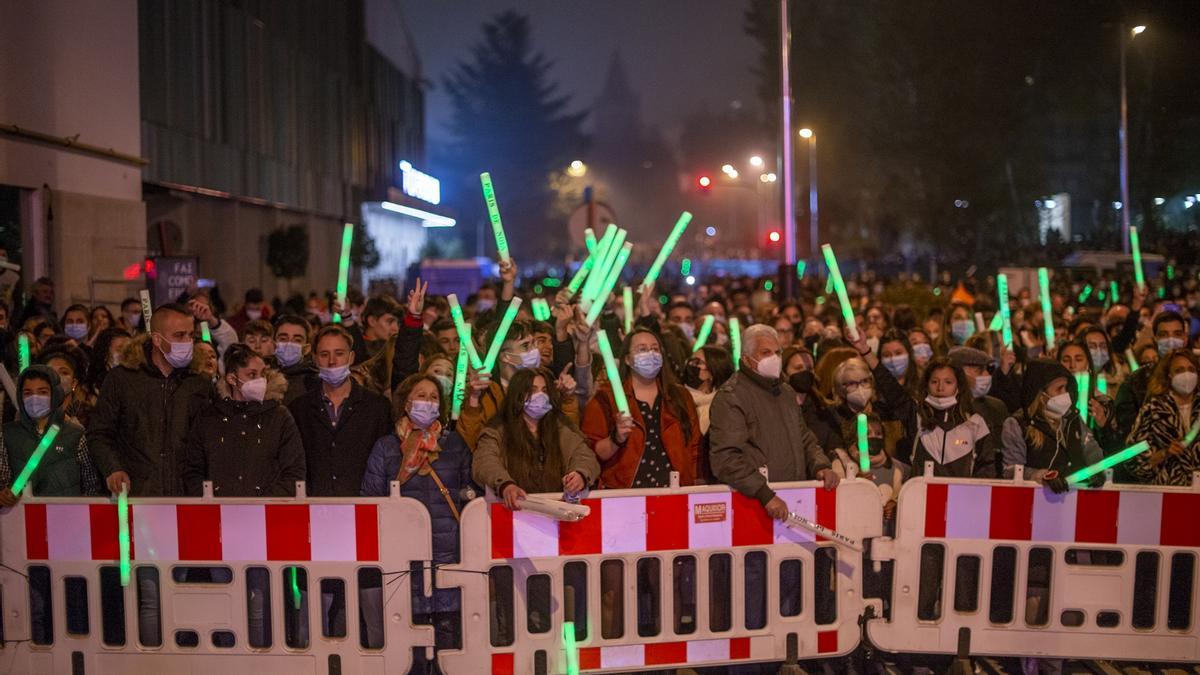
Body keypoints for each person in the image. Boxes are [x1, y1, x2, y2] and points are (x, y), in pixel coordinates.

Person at [361, 374, 476, 654]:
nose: (427, 402)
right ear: (406, 402)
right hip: (402, 558)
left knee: (449, 642)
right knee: (408, 642)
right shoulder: (386, 447)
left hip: (448, 555)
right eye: (421, 395)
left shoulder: (454, 444)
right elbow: (370, 499)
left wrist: (466, 495)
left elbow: (471, 488)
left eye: (434, 397)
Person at [709, 324, 838, 522]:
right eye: (765, 352)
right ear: (746, 359)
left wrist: (820, 465)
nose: (774, 358)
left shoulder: (785, 392)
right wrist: (764, 494)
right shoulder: (731, 397)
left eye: (777, 352)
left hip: (795, 500)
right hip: (755, 506)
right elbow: (726, 458)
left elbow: (803, 437)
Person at [88, 303, 213, 496]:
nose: (187, 342)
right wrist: (113, 468)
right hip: (136, 495)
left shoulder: (199, 383)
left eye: (191, 335)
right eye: (179, 335)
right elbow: (100, 433)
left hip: (187, 497)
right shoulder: (122, 379)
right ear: (156, 338)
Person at [582, 328, 702, 488]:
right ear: (627, 359)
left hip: (674, 492)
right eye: (642, 349)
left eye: (655, 349)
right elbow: (593, 452)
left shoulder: (680, 396)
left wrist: (693, 483)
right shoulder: (606, 398)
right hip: (625, 493)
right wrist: (616, 438)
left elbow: (694, 446)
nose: (650, 354)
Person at [182, 344, 306, 496]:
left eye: (263, 374)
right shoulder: (208, 418)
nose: (260, 380)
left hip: (266, 514)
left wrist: (265, 504)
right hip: (218, 513)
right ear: (232, 378)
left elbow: (294, 471)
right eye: (252, 375)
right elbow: (193, 471)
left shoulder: (280, 417)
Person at [472, 367, 598, 509]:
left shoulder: (560, 426)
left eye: (544, 391)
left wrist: (580, 474)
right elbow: (485, 461)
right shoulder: (498, 430)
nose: (540, 396)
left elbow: (584, 455)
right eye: (532, 390)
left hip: (557, 511)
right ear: (517, 395)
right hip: (514, 512)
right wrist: (505, 485)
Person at [288, 325, 391, 497]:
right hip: (315, 508)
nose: (332, 361)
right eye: (324, 354)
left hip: (364, 508)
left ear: (351, 357)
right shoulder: (299, 409)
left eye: (339, 353)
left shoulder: (377, 407)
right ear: (314, 359)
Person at [458, 320, 580, 449]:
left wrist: (567, 398)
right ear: (506, 357)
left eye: (534, 343)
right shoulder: (485, 394)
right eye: (526, 346)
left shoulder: (549, 384)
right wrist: (473, 400)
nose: (535, 350)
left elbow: (570, 440)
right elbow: (470, 443)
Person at [0, 365, 100, 504]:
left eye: (42, 392)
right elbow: (2, 481)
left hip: (69, 518)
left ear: (55, 394)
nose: (34, 398)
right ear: (20, 396)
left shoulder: (76, 435)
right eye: (28, 393)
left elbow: (91, 486)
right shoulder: (7, 434)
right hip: (22, 521)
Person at [1001, 359, 1105, 489]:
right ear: (1040, 394)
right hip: (1034, 500)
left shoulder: (1073, 419)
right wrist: (1042, 476)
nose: (1065, 394)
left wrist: (1098, 469)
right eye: (1059, 389)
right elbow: (1011, 470)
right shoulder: (1017, 424)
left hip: (1075, 498)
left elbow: (1091, 449)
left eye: (1066, 388)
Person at [900, 357, 995, 478]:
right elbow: (893, 392)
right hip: (921, 494)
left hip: (961, 495)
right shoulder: (916, 417)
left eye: (948, 382)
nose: (940, 388)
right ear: (926, 385)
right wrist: (867, 353)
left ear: (958, 386)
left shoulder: (975, 423)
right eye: (934, 382)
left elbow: (987, 468)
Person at [1128, 349, 1200, 486]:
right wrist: (1164, 453)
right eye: (1179, 370)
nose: (1187, 375)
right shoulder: (1152, 410)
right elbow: (1133, 461)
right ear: (1169, 375)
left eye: (1191, 369)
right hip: (1165, 493)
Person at [1115, 311, 1189, 439]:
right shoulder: (1135, 381)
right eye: (1164, 335)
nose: (1171, 340)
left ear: (1185, 339)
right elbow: (1127, 433)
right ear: (1155, 340)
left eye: (1177, 334)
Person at [682, 345, 734, 435]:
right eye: (691, 360)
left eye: (698, 362)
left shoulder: (724, 405)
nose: (691, 365)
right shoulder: (676, 397)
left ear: (713, 371)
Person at [38, 344, 93, 426]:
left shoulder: (89, 416)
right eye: (51, 372)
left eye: (64, 372)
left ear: (74, 383)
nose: (56, 376)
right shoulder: (31, 411)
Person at [273, 314, 318, 405]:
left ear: (306, 349)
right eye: (283, 339)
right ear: (273, 343)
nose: (289, 344)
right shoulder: (261, 377)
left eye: (297, 340)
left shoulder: (314, 383)